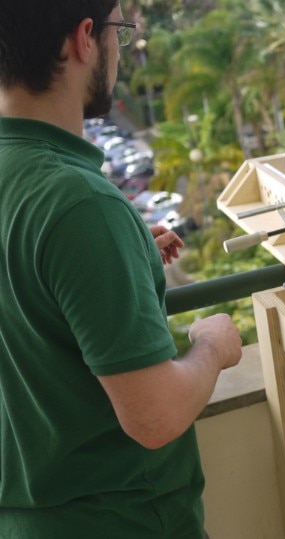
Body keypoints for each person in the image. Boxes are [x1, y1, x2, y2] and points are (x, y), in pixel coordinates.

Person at [0, 2, 243, 537]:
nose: (119, 49)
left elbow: (28, 289)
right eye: (119, 31)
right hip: (118, 521)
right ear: (84, 38)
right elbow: (155, 417)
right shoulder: (78, 203)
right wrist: (213, 345)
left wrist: (122, 251)